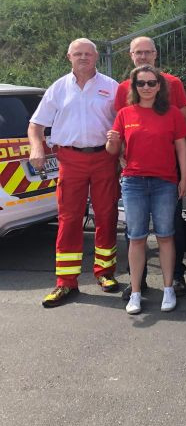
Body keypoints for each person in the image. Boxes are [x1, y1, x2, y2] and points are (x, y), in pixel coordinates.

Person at [29, 38, 120, 307]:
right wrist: (37, 147)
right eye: (77, 53)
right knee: (69, 219)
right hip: (70, 159)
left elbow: (124, 122)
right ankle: (65, 282)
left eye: (88, 54)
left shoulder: (111, 86)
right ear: (69, 57)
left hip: (104, 158)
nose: (83, 57)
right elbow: (36, 125)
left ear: (96, 57)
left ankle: (105, 272)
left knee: (107, 215)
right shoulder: (58, 88)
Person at [106, 65, 186, 314]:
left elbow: (182, 148)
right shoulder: (125, 114)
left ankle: (168, 288)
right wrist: (112, 143)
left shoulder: (172, 113)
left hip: (165, 182)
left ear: (159, 86)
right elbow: (113, 151)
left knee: (165, 236)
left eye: (151, 83)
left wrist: (184, 178)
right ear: (134, 87)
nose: (146, 87)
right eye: (141, 83)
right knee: (137, 237)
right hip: (134, 182)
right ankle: (135, 292)